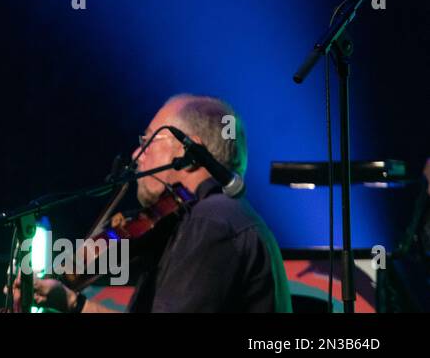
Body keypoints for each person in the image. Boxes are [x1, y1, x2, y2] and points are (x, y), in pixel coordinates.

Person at [20, 95, 291, 313]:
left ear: (188, 151)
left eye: (149, 141)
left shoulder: (211, 220)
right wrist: (71, 303)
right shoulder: (209, 218)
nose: (137, 154)